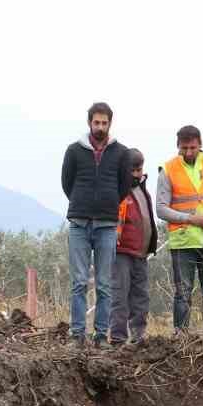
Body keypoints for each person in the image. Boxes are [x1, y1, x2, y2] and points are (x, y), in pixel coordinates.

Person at [61, 102, 134, 346]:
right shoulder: (74, 151)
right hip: (79, 223)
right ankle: (78, 335)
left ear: (110, 124)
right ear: (89, 123)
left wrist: (108, 203)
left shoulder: (121, 153)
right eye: (96, 122)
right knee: (79, 282)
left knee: (104, 284)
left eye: (104, 123)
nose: (100, 127)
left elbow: (124, 187)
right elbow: (67, 183)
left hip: (106, 225)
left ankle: (101, 336)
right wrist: (82, 202)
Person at [156, 125, 203, 333]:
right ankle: (181, 336)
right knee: (183, 292)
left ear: (200, 144)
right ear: (178, 146)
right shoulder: (168, 169)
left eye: (193, 147)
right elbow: (161, 209)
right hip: (183, 241)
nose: (189, 152)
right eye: (185, 148)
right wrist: (192, 219)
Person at [111, 149, 157, 344]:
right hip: (121, 252)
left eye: (139, 169)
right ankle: (118, 338)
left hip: (141, 253)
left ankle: (138, 337)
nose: (137, 174)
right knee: (120, 295)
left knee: (141, 296)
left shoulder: (142, 189)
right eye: (133, 170)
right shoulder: (117, 190)